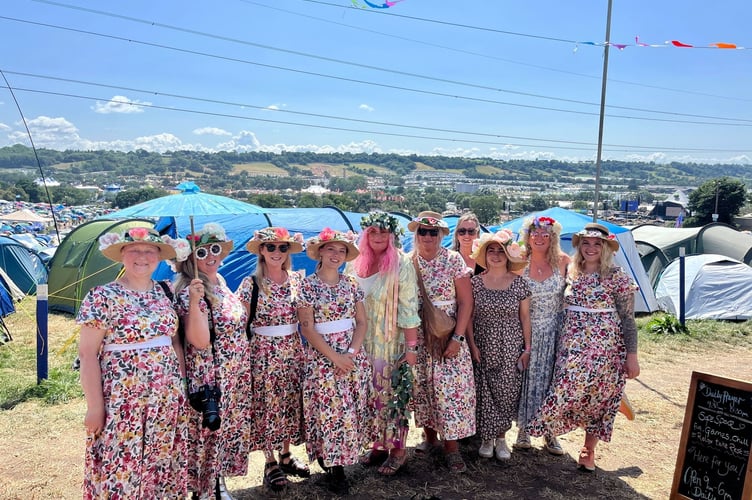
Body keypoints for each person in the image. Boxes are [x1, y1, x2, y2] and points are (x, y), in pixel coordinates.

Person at [77, 226, 188, 498]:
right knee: (122, 464)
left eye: (150, 251)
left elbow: (174, 342)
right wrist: (95, 407)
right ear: (122, 255)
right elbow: (88, 354)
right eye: (134, 250)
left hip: (166, 398)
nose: (142, 256)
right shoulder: (102, 296)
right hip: (122, 401)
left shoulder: (166, 292)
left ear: (159, 257)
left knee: (161, 460)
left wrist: (182, 385)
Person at [527, 223, 640, 472]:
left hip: (605, 349)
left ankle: (589, 449)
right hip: (571, 346)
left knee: (599, 398)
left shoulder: (616, 276)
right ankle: (545, 430)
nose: (590, 248)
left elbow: (629, 320)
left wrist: (632, 356)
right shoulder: (571, 271)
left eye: (597, 244)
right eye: (586, 243)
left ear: (606, 248)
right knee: (565, 389)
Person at [173, 223, 252, 500]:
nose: (210, 257)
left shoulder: (220, 283)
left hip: (233, 371)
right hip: (211, 373)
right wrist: (195, 302)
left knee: (224, 431)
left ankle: (218, 482)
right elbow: (200, 341)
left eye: (215, 250)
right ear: (189, 259)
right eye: (202, 252)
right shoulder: (189, 291)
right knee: (208, 432)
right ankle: (205, 489)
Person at [298, 228, 374, 495]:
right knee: (331, 413)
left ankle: (342, 457)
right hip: (323, 358)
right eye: (331, 249)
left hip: (352, 358)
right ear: (320, 252)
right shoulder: (306, 285)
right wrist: (335, 358)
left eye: (341, 251)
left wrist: (351, 355)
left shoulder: (351, 284)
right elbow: (307, 328)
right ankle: (334, 466)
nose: (336, 255)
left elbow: (362, 322)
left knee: (349, 413)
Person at [346, 212, 420, 476]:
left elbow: (410, 306)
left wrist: (411, 347)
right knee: (370, 396)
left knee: (392, 395)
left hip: (391, 343)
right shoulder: (354, 261)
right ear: (365, 234)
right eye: (373, 232)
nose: (377, 236)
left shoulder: (401, 263)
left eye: (383, 232)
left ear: (392, 235)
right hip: (359, 343)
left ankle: (398, 451)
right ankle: (378, 446)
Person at [238, 227, 309, 492]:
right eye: (271, 247)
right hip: (264, 353)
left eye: (282, 248)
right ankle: (269, 462)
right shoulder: (251, 284)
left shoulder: (297, 281)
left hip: (292, 350)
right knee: (268, 405)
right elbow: (240, 322)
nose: (277, 252)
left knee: (290, 402)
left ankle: (286, 455)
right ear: (261, 251)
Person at [408, 211, 475, 474]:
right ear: (416, 234)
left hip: (447, 333)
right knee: (423, 387)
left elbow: (466, 302)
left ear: (441, 235)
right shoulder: (408, 262)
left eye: (432, 232)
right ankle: (430, 437)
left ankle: (452, 447)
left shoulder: (452, 260)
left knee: (450, 392)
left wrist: (458, 337)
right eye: (422, 231)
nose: (427, 236)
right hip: (421, 335)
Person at [469, 229, 531, 461]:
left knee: (507, 391)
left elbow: (525, 318)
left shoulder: (519, 283)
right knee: (484, 390)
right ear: (484, 255)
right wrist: (472, 345)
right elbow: (470, 317)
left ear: (508, 255)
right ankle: (486, 437)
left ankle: (502, 437)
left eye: (500, 251)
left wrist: (527, 349)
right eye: (490, 250)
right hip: (483, 341)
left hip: (511, 343)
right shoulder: (474, 282)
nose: (495, 255)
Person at [515, 215, 570, 455]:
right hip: (524, 328)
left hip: (555, 331)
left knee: (552, 381)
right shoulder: (518, 262)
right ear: (527, 236)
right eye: (534, 233)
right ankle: (523, 430)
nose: (538, 238)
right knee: (524, 380)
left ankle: (550, 432)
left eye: (544, 234)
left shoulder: (564, 261)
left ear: (553, 237)